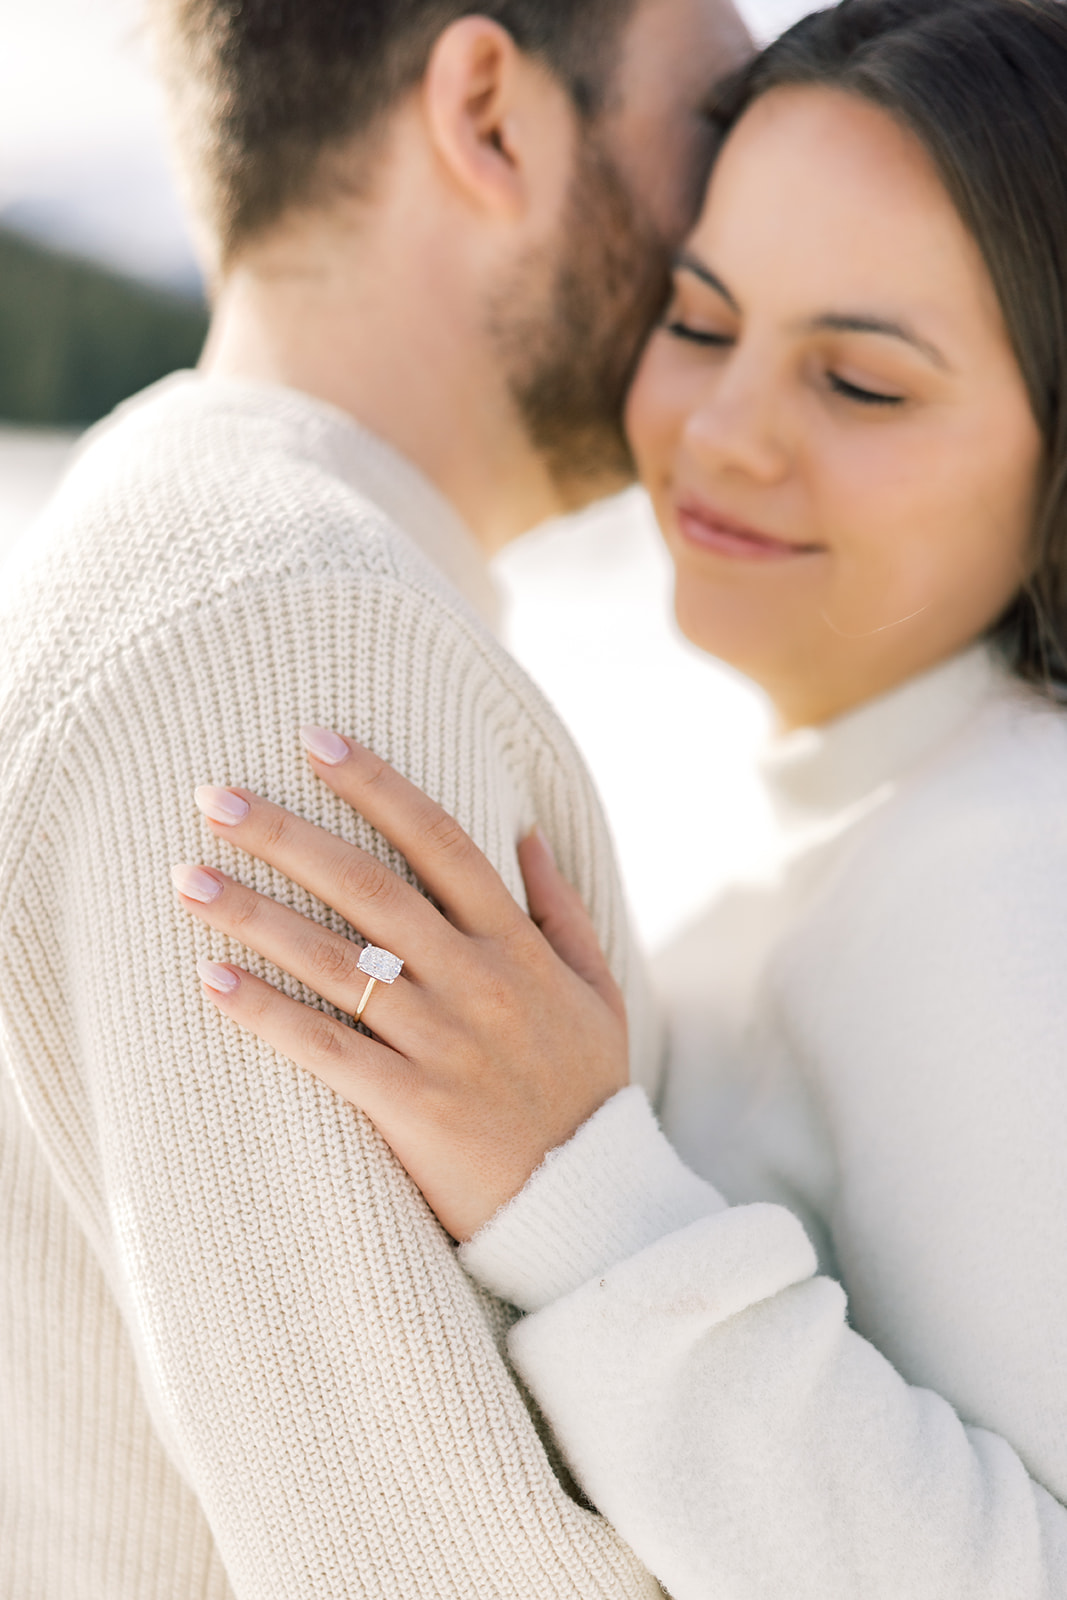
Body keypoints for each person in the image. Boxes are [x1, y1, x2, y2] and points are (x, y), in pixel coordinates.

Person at [172, 0, 1067, 1595]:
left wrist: (577, 1188)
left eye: (860, 383)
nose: (721, 436)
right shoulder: (865, 835)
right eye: (703, 322)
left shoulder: (1001, 875)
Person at [0, 2, 753, 1595]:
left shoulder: (214, 556)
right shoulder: (287, 635)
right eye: (718, 120)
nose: (742, 223)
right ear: (492, 112)